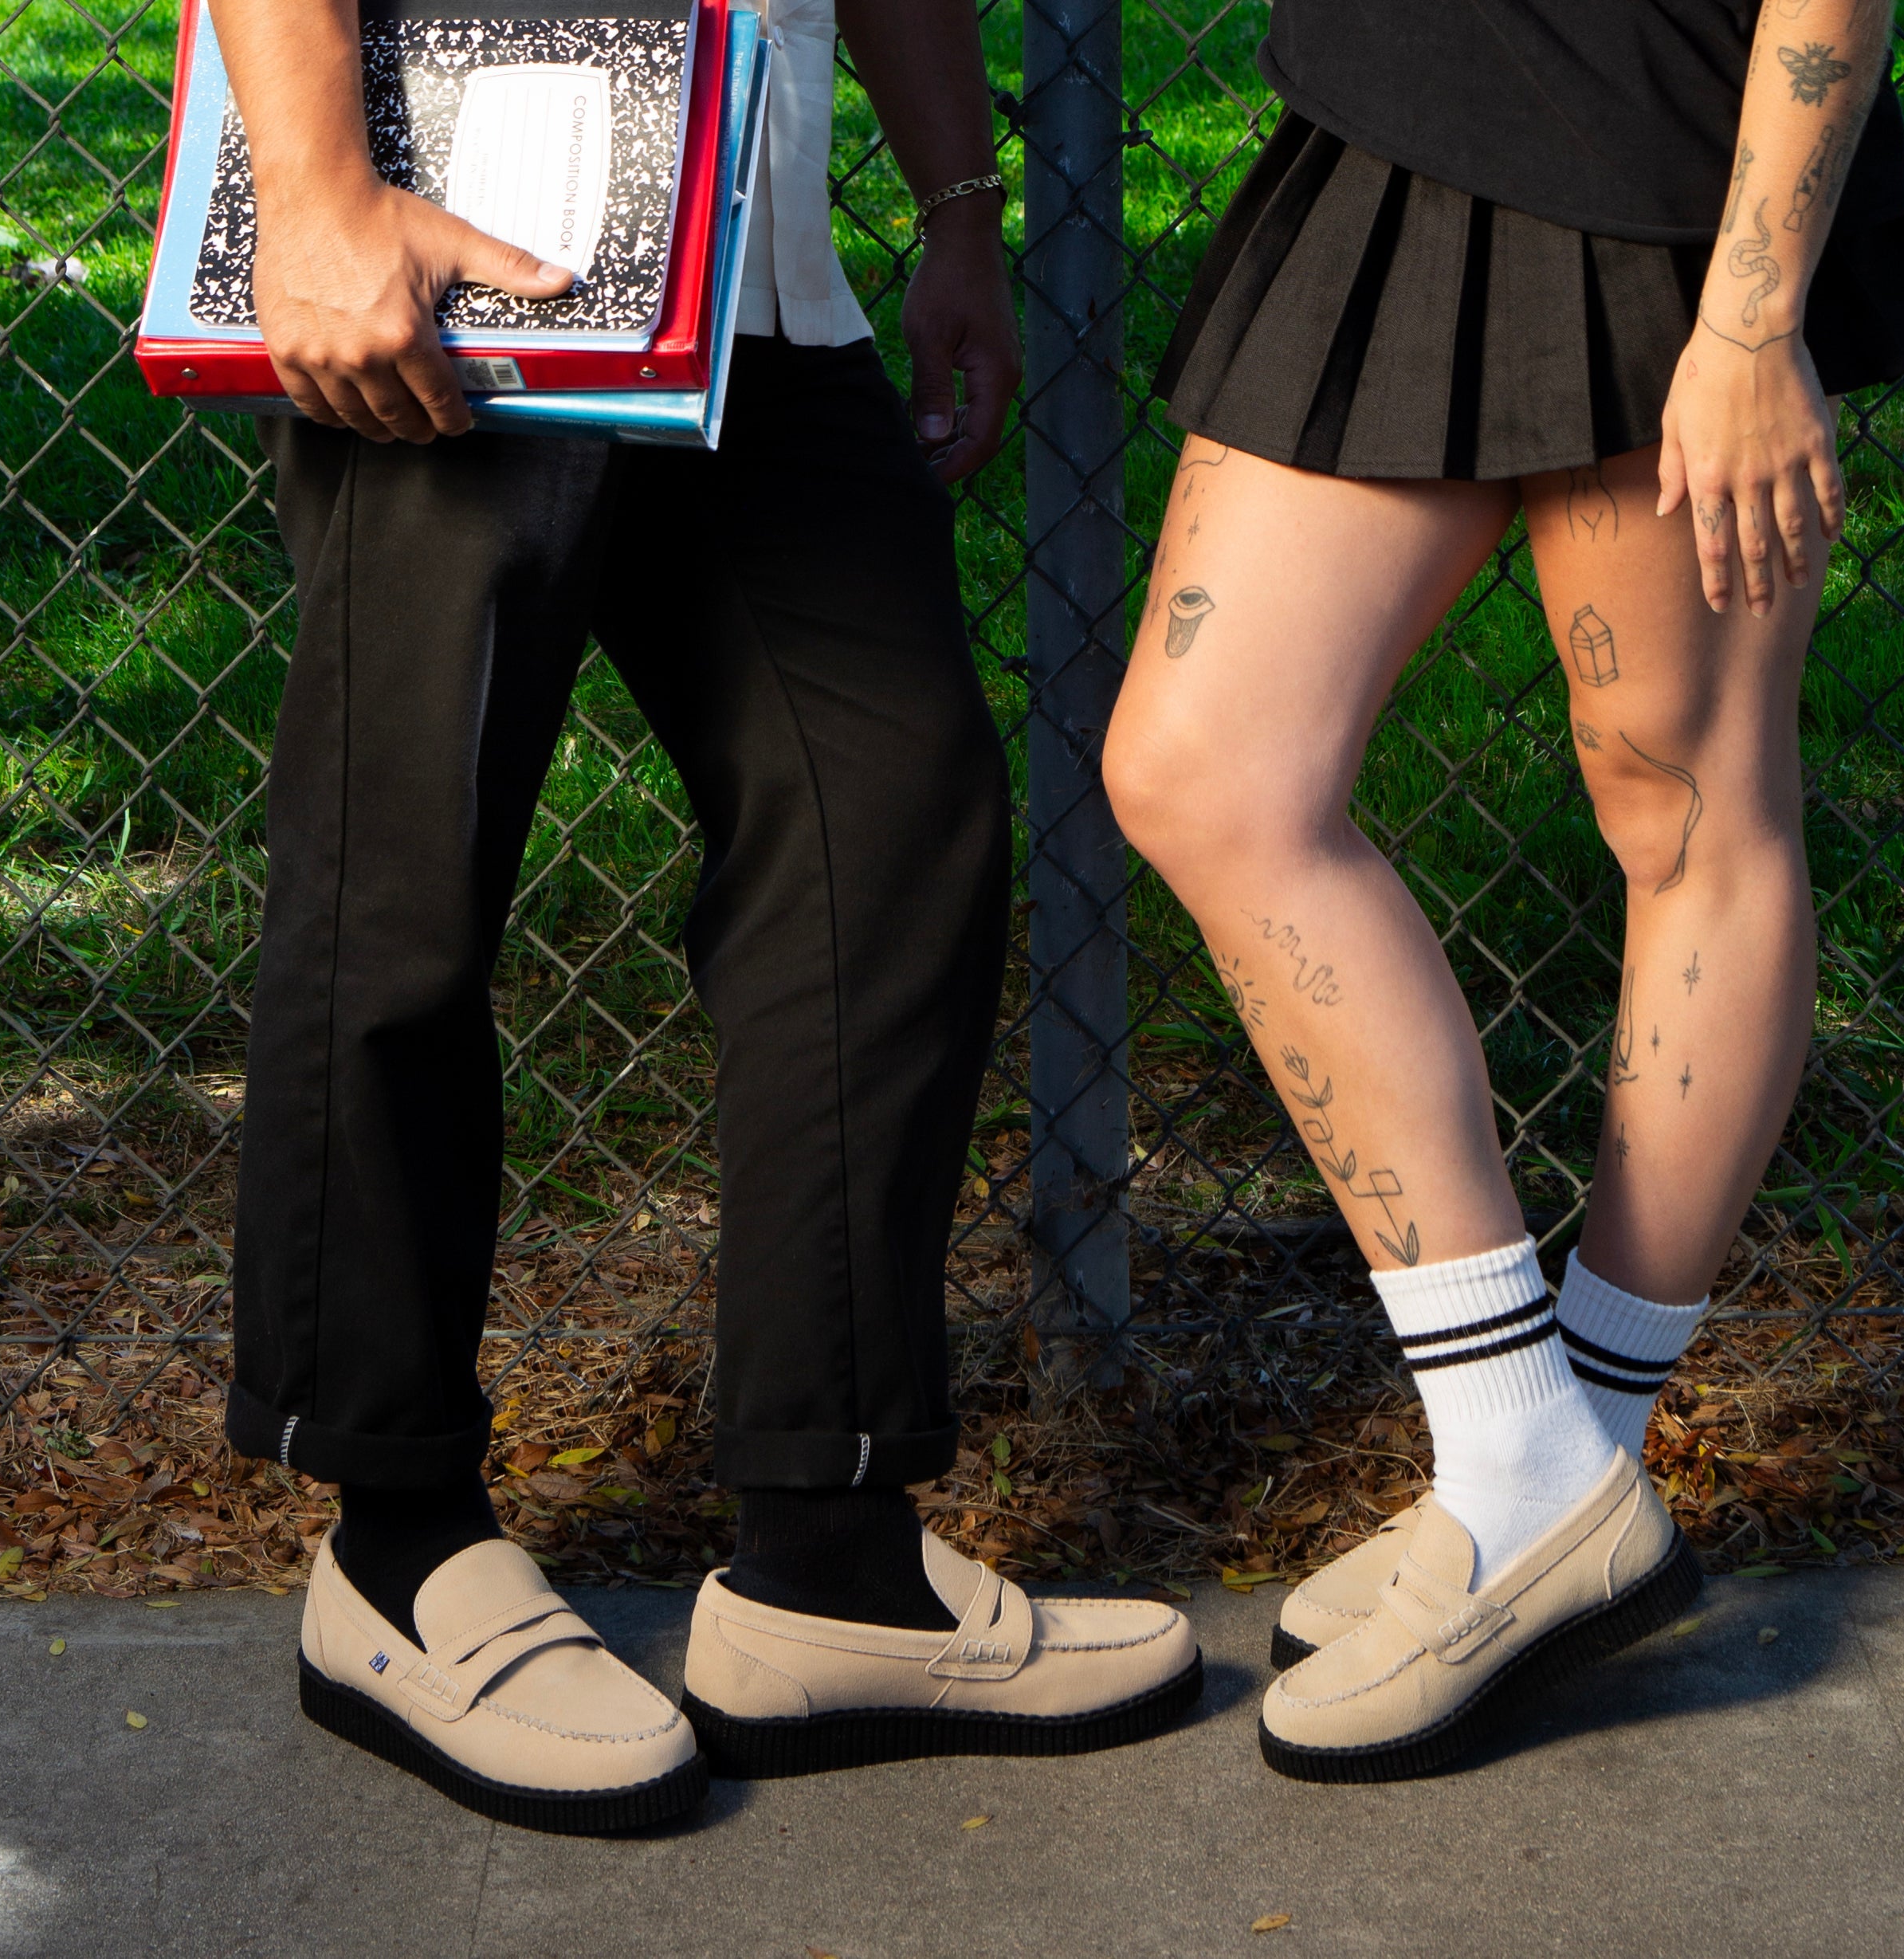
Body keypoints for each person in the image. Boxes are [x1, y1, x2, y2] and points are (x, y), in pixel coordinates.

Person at [212, 0, 1198, 1831]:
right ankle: (395, 1535)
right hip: (469, 237)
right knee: (405, 876)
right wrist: (317, 187)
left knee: (887, 818)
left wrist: (957, 204)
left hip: (751, 268)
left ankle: (828, 1556)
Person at [1103, 0, 1904, 1780]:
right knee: (1202, 768)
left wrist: (1748, 312)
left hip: (1670, 176)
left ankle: (1548, 1471)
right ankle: (1530, 1447)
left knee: (1683, 803)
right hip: (1401, 115)